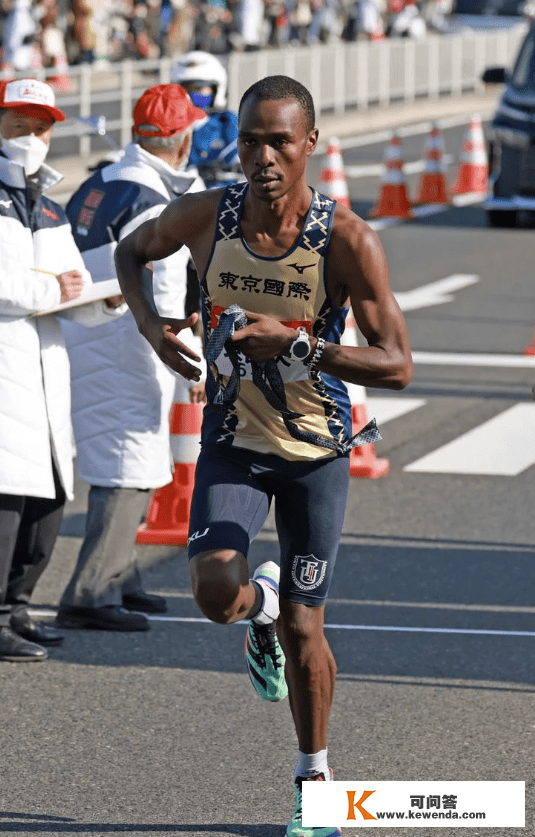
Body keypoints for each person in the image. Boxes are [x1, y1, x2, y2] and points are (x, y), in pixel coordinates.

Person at [114, 75, 412, 835]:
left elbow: (397, 363)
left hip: (315, 450)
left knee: (307, 633)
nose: (264, 156)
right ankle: (261, 605)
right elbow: (130, 249)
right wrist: (153, 328)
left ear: (310, 143)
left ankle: (314, 780)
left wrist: (302, 344)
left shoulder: (345, 238)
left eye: (280, 140)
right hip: (233, 442)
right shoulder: (205, 216)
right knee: (216, 595)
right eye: (250, 140)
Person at [55, 84, 207, 633]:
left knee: (133, 458)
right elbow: (165, 294)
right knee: (129, 461)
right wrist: (193, 367)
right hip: (128, 338)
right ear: (181, 138)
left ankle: (121, 576)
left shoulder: (106, 179)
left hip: (90, 330)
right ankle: (92, 589)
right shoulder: (157, 199)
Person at [0, 77, 125, 662]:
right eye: (18, 122)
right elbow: (16, 286)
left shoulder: (47, 203)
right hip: (6, 362)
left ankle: (16, 607)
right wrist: (53, 289)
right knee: (6, 500)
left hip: (45, 366)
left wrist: (103, 301)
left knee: (47, 504)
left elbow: (71, 284)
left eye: (41, 124)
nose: (30, 135)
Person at [170, 51, 241, 187]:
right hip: (180, 200)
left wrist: (221, 168)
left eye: (199, 88)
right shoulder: (169, 127)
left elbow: (243, 159)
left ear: (216, 89)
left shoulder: (228, 123)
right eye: (185, 89)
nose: (190, 95)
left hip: (222, 199)